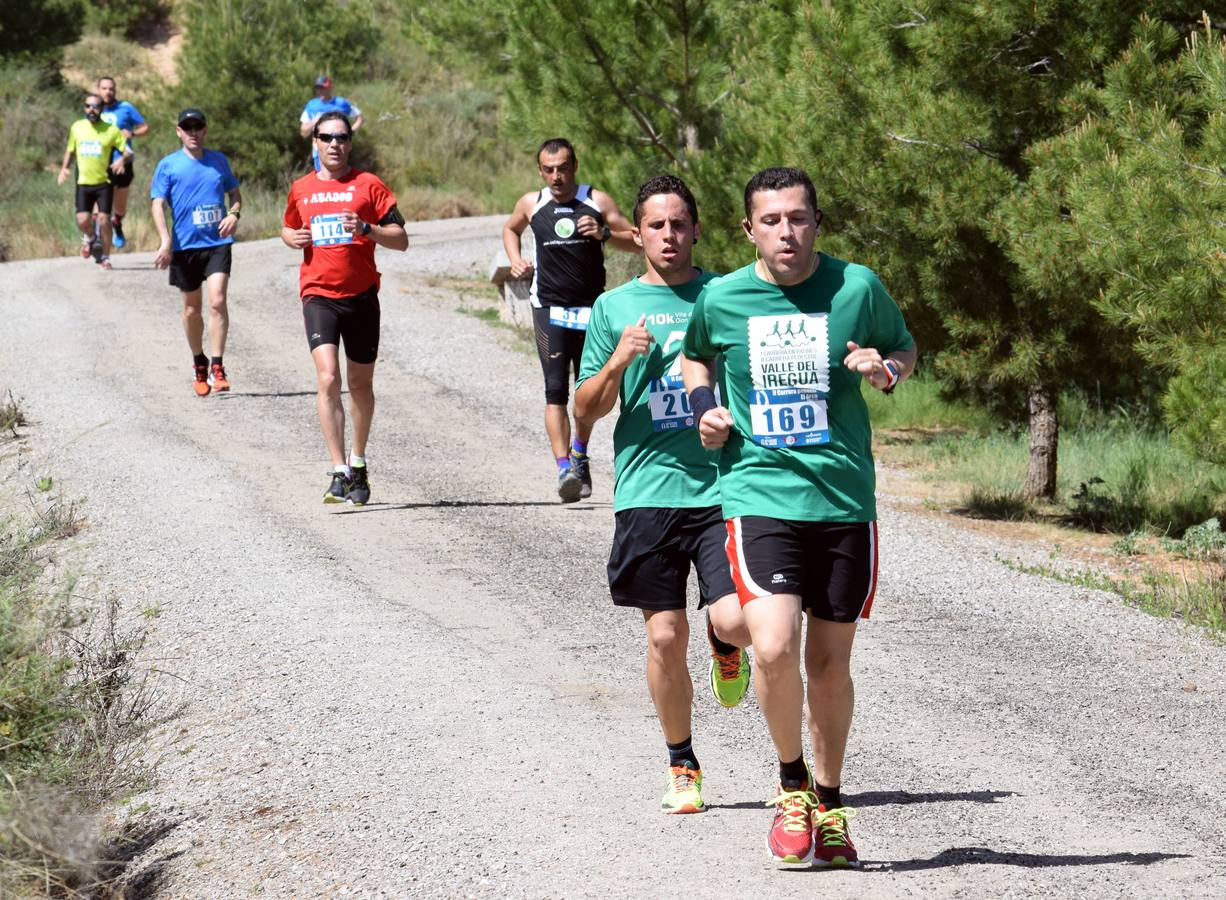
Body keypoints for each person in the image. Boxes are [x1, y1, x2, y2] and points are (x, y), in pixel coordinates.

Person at [680, 166, 917, 867]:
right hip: (761, 492)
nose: (788, 231)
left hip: (843, 500)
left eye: (800, 217)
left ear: (818, 222)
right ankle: (792, 788)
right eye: (773, 220)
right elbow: (695, 359)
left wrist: (887, 370)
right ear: (749, 229)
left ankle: (833, 805)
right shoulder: (723, 297)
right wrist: (706, 412)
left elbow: (904, 348)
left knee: (830, 666)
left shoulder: (856, 287)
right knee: (775, 644)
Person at [574, 174, 752, 814]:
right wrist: (618, 361)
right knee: (663, 637)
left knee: (737, 619)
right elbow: (584, 411)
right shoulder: (615, 308)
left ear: (696, 229)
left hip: (723, 484)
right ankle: (682, 762)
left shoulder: (728, 296)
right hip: (648, 489)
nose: (669, 236)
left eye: (680, 224)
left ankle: (726, 646)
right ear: (637, 234)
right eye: (656, 226)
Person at [281, 111, 408, 506]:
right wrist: (292, 237)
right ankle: (338, 470)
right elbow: (287, 227)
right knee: (327, 377)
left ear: (350, 143)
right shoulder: (301, 188)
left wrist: (367, 230)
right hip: (318, 294)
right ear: (314, 143)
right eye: (326, 137)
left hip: (362, 296)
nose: (334, 143)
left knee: (361, 385)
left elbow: (401, 238)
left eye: (341, 137)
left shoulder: (369, 185)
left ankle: (358, 459)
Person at [502, 137, 637, 502]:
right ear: (540, 171)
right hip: (549, 309)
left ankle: (580, 450)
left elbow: (638, 239)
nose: (556, 176)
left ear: (574, 166)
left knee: (586, 394)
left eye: (562, 168)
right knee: (555, 391)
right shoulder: (532, 203)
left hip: (592, 311)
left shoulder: (597, 200)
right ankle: (564, 468)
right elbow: (510, 228)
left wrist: (605, 233)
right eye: (549, 170)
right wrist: (515, 259)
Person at [150, 108, 242, 398]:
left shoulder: (218, 161)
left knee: (217, 301)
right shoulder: (168, 165)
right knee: (192, 309)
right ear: (178, 131)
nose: (193, 132)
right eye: (186, 127)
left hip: (217, 243)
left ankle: (217, 365)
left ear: (205, 130)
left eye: (197, 127)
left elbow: (235, 195)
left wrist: (234, 215)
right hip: (185, 247)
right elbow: (157, 204)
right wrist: (165, 241)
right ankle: (199, 362)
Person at [58, 92, 130, 271]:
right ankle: (91, 237)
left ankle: (105, 257)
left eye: (96, 106)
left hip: (103, 182)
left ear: (102, 109)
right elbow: (70, 149)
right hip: (83, 182)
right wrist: (65, 168)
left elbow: (128, 151)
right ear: (84, 108)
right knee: (82, 220)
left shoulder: (111, 130)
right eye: (88, 106)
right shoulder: (77, 127)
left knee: (105, 220)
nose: (91, 110)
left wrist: (121, 159)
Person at [97, 75, 148, 248]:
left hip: (123, 160)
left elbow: (144, 126)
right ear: (98, 90)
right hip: (99, 163)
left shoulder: (125, 108)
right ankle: (97, 238)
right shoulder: (94, 109)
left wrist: (132, 134)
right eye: (104, 88)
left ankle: (117, 223)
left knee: (120, 203)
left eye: (111, 88)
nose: (108, 91)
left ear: (115, 90)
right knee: (100, 200)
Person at [299, 75, 363, 172]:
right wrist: (314, 122)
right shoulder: (311, 105)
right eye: (318, 88)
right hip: (319, 150)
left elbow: (360, 118)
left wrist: (351, 131)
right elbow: (303, 132)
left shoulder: (341, 103)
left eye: (322, 88)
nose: (319, 91)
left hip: (339, 147)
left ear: (329, 88)